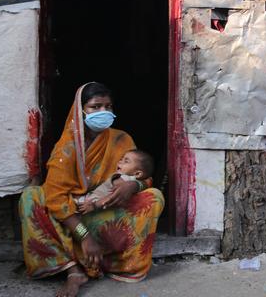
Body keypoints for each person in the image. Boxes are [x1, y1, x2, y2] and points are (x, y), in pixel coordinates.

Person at [18, 82, 164, 297]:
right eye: (95, 107)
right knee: (31, 196)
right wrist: (84, 236)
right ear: (81, 110)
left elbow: (140, 173)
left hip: (102, 213)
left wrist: (134, 185)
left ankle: (113, 263)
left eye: (108, 106)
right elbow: (56, 199)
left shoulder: (121, 139)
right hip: (70, 220)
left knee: (154, 197)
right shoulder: (66, 148)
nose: (103, 112)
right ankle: (73, 270)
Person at [76, 149, 154, 214]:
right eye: (121, 159)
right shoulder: (131, 182)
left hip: (92, 202)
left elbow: (111, 197)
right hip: (93, 200)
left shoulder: (122, 180)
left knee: (69, 207)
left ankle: (81, 231)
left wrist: (94, 206)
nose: (120, 161)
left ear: (137, 173)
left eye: (126, 161)